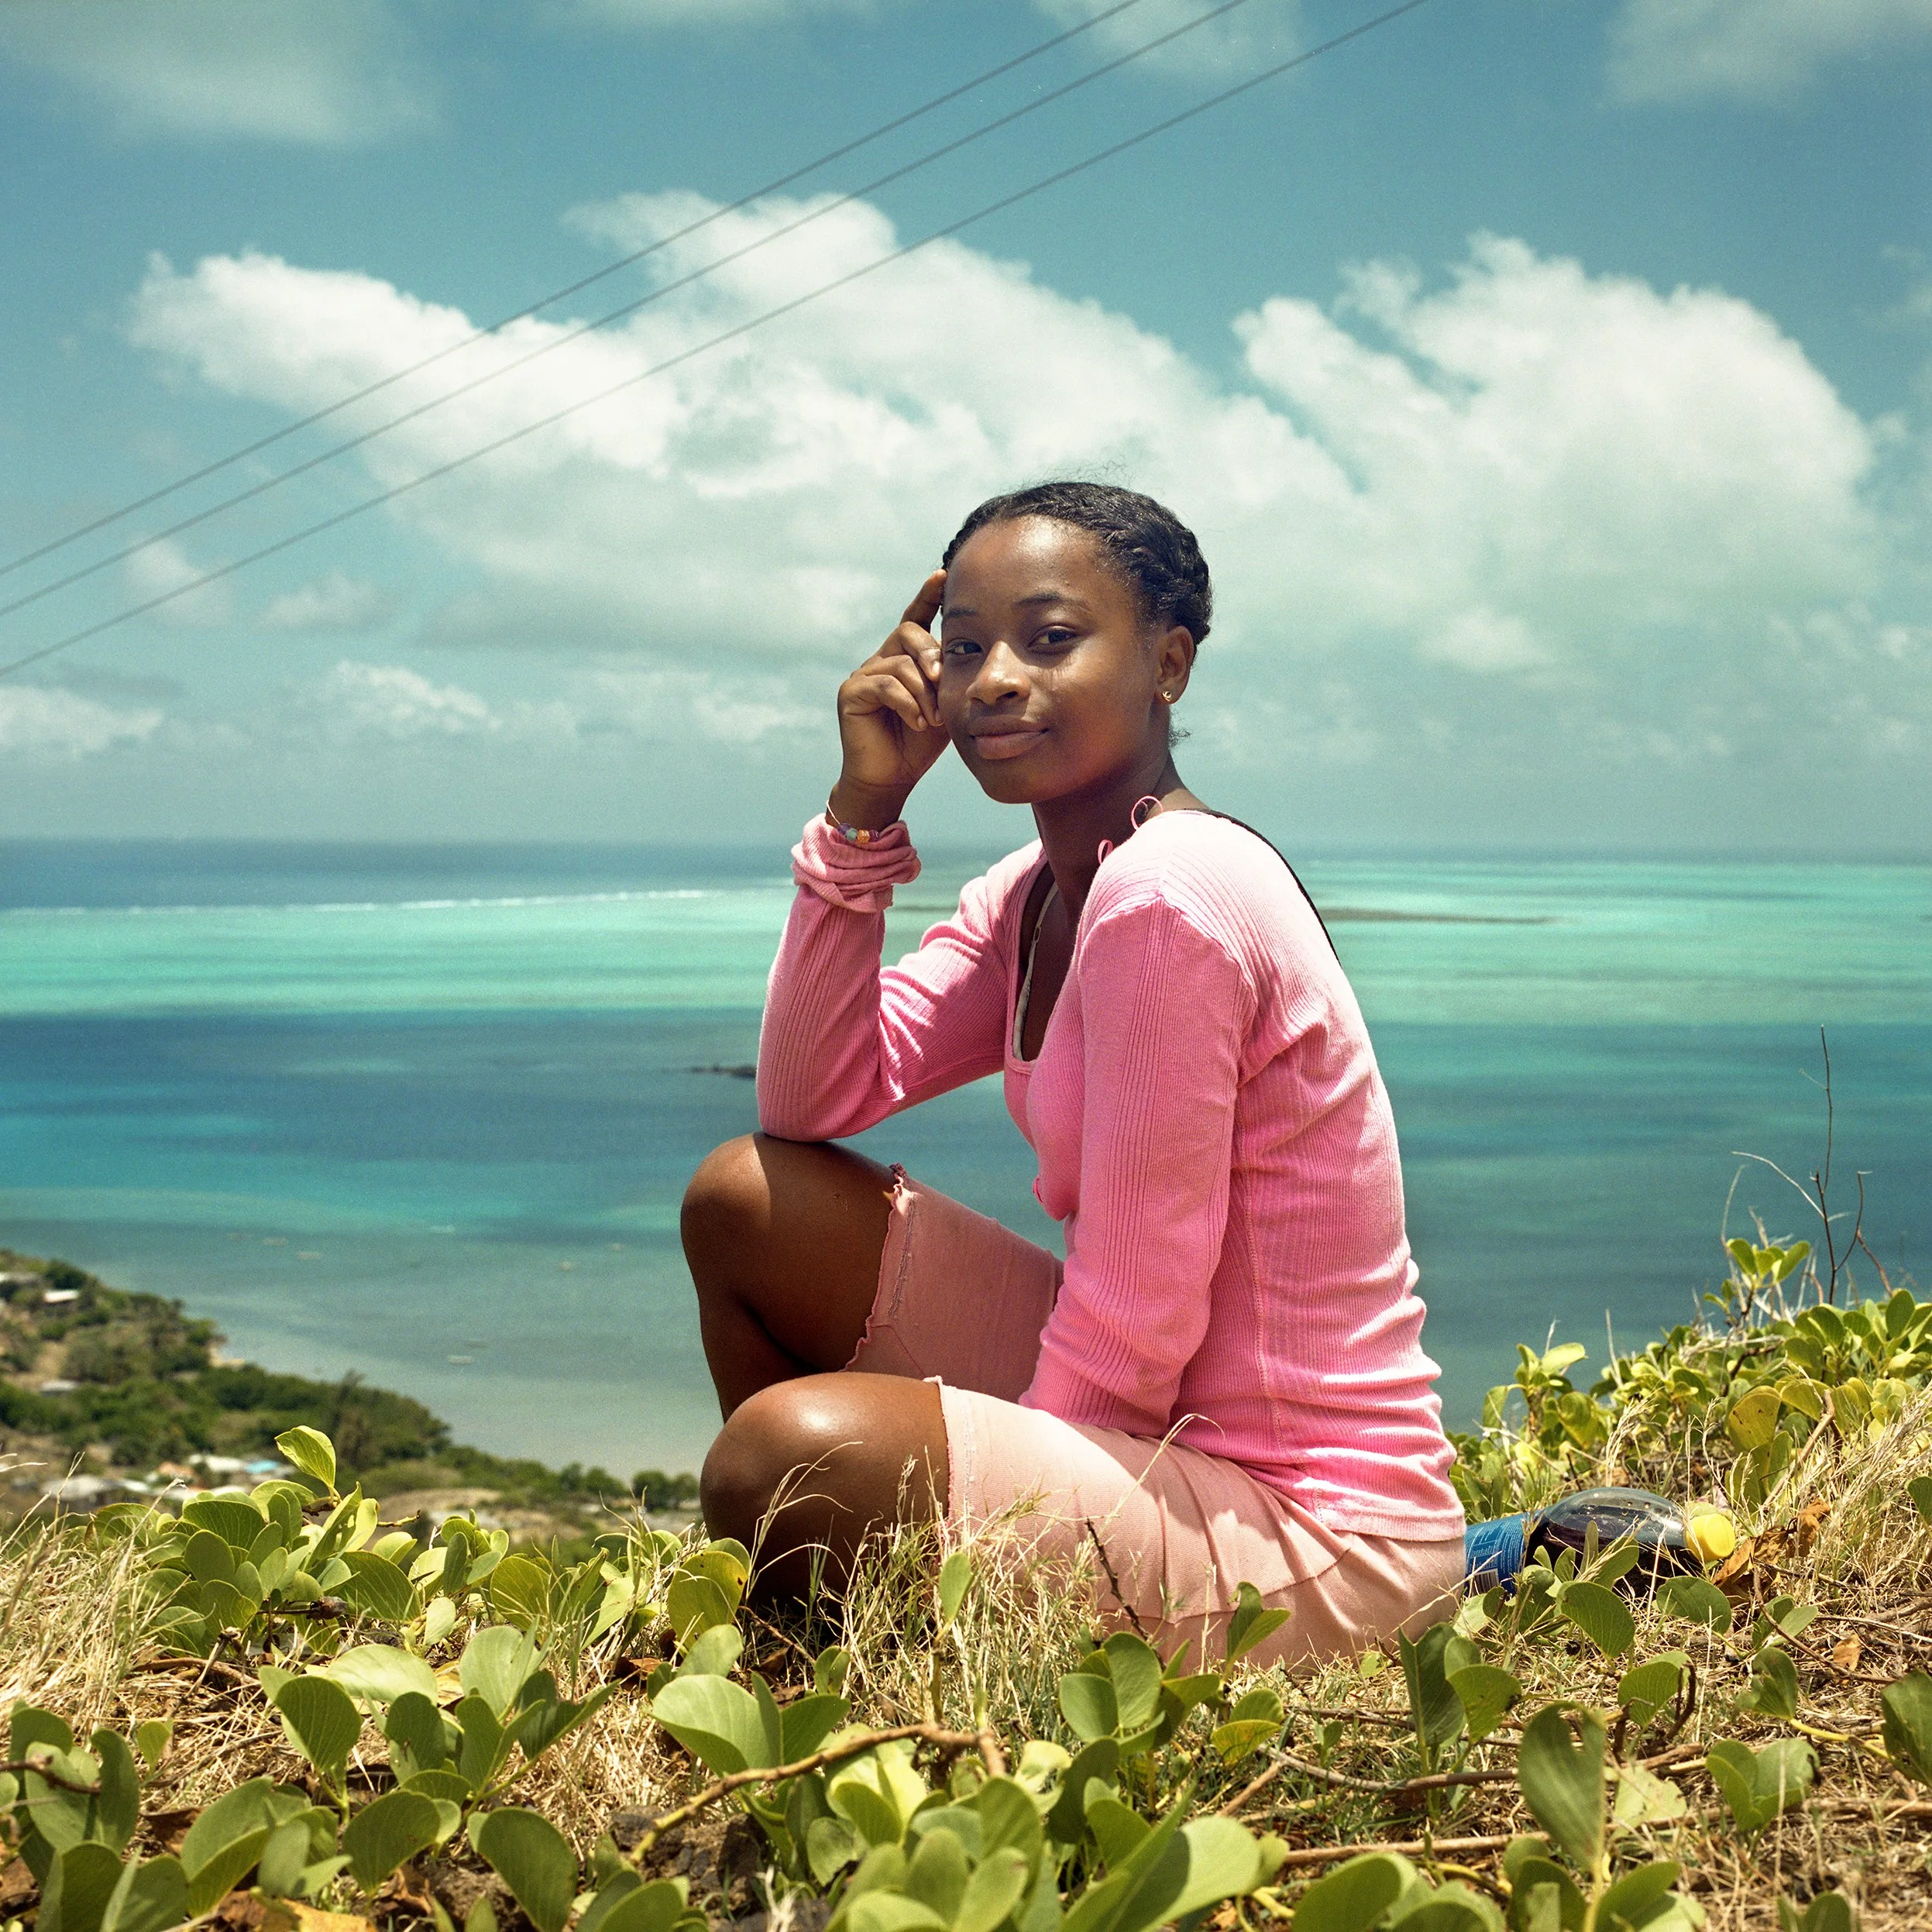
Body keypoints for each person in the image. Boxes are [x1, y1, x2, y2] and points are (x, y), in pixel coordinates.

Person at [683, 482, 1464, 1666]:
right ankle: (847, 1620)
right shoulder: (1033, 891)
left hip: (1315, 1531)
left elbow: (1134, 1321)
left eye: (1051, 639)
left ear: (1168, 662)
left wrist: (1015, 1530)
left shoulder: (1168, 892)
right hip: (1164, 1439)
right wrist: (859, 815)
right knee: (747, 1199)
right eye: (963, 647)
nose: (993, 678)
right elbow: (809, 1102)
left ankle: (885, 1646)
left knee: (785, 1456)